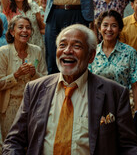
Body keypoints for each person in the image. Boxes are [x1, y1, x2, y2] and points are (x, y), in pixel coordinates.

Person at [2, 24, 137, 154]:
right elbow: (14, 141)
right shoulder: (34, 89)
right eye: (62, 45)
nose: (67, 51)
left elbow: (129, 147)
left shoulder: (115, 93)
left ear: (91, 56)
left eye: (76, 46)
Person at [0, 15, 47, 144]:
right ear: (12, 31)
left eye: (28, 28)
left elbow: (46, 81)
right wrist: (15, 75)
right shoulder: (3, 52)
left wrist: (34, 74)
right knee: (11, 145)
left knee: (32, 144)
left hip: (33, 106)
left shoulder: (36, 51)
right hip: (10, 106)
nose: (25, 31)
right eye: (20, 27)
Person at [89, 10, 137, 115]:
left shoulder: (130, 53)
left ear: (120, 29)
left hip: (122, 107)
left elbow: (135, 85)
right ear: (99, 28)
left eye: (114, 26)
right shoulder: (92, 54)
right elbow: (87, 83)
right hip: (97, 107)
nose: (109, 29)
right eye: (105, 25)